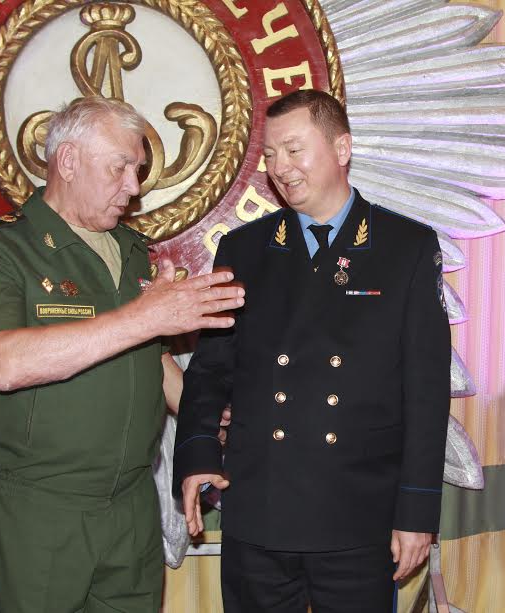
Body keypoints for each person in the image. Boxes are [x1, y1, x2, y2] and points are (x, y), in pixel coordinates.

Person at [0, 96, 244, 613]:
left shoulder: (131, 250)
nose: (134, 187)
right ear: (68, 161)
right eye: (120, 167)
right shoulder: (0, 249)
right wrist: (146, 317)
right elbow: (5, 364)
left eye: (137, 170)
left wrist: (210, 417)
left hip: (132, 503)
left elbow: (151, 360)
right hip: (42, 508)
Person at [173, 89, 451, 612]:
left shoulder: (406, 247)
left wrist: (417, 512)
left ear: (341, 149)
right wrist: (196, 455)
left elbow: (426, 391)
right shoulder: (244, 249)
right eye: (270, 154)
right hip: (261, 511)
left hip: (358, 515)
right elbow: (210, 371)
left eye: (294, 149)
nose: (280, 167)